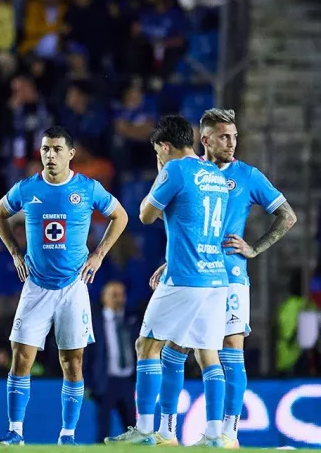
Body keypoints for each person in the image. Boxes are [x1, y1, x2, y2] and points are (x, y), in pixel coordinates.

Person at [151, 109, 297, 447]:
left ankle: (227, 434)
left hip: (230, 276)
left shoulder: (247, 175)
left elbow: (287, 216)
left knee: (231, 349)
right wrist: (171, 261)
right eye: (224, 137)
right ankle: (167, 432)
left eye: (234, 137)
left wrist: (254, 249)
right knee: (175, 349)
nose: (232, 143)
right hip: (193, 272)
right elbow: (176, 221)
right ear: (205, 140)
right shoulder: (189, 171)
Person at [0, 126, 128, 445]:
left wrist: (98, 255)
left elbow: (120, 216)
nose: (49, 155)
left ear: (70, 154)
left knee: (72, 361)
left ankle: (67, 435)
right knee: (20, 356)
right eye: (45, 149)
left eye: (55, 149)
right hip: (36, 286)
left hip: (73, 287)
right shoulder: (27, 188)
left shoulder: (87, 188)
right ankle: (15, 432)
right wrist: (14, 252)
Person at [106, 115, 230, 447]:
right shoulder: (216, 175)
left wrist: (161, 176)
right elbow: (201, 224)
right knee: (208, 353)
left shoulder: (174, 169)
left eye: (157, 152)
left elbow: (145, 215)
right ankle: (217, 435)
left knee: (147, 344)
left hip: (186, 276)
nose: (158, 158)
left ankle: (146, 431)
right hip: (216, 277)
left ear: (164, 146)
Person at [86, 281, 138, 442]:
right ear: (104, 297)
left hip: (129, 381)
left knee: (133, 427)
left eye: (121, 295)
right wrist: (88, 383)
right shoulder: (93, 322)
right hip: (105, 381)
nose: (118, 299)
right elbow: (86, 356)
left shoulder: (133, 319)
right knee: (103, 427)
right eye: (114, 295)